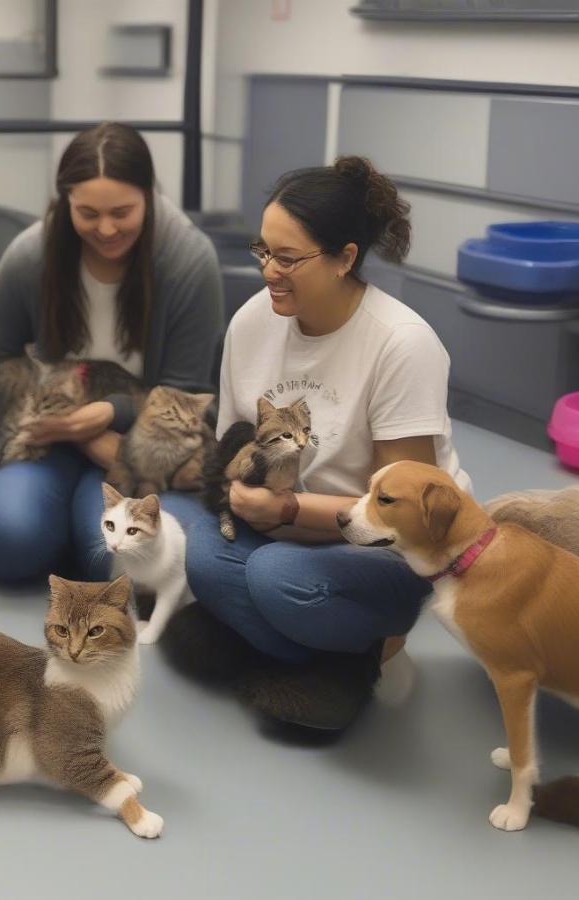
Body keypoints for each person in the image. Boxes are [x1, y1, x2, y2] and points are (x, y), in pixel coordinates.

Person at [178, 156, 472, 732]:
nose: (269, 272)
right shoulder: (250, 323)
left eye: (288, 258)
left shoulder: (402, 345)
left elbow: (407, 518)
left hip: (383, 548)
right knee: (203, 555)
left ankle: (365, 648)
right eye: (263, 251)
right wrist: (237, 494)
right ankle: (322, 660)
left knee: (274, 578)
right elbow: (233, 448)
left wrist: (289, 508)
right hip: (281, 530)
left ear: (345, 259)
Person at [0, 122, 223, 583]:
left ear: (149, 195)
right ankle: (32, 509)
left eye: (122, 212)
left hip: (135, 442)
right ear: (65, 202)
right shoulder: (31, 255)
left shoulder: (188, 261)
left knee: (119, 562)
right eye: (87, 213)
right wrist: (67, 422)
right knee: (14, 543)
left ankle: (62, 523)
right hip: (45, 433)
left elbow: (183, 391)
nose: (106, 229)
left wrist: (111, 413)